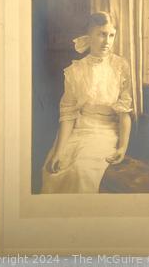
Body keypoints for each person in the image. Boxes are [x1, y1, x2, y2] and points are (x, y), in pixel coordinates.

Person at [40, 11, 133, 193]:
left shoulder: (120, 66)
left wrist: (122, 147)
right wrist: (58, 151)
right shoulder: (75, 71)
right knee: (52, 170)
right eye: (101, 34)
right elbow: (68, 115)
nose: (106, 41)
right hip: (78, 129)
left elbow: (124, 113)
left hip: (106, 132)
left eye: (111, 35)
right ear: (89, 36)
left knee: (80, 171)